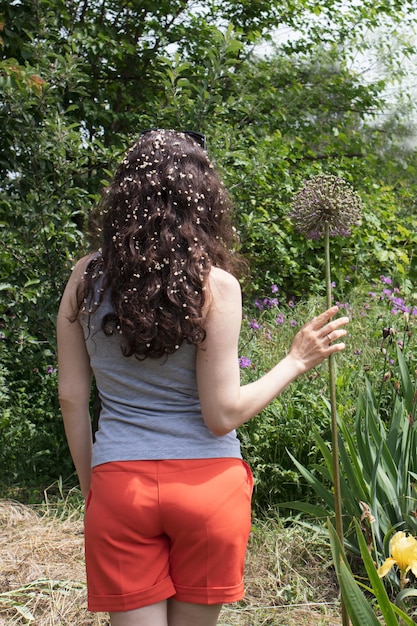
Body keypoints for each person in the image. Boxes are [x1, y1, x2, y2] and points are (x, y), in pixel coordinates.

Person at [57, 128, 349, 626]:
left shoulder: (85, 278)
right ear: (204, 200)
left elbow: (71, 397)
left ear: (123, 196)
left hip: (119, 486)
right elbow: (222, 415)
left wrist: (94, 487)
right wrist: (296, 360)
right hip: (207, 489)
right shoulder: (216, 286)